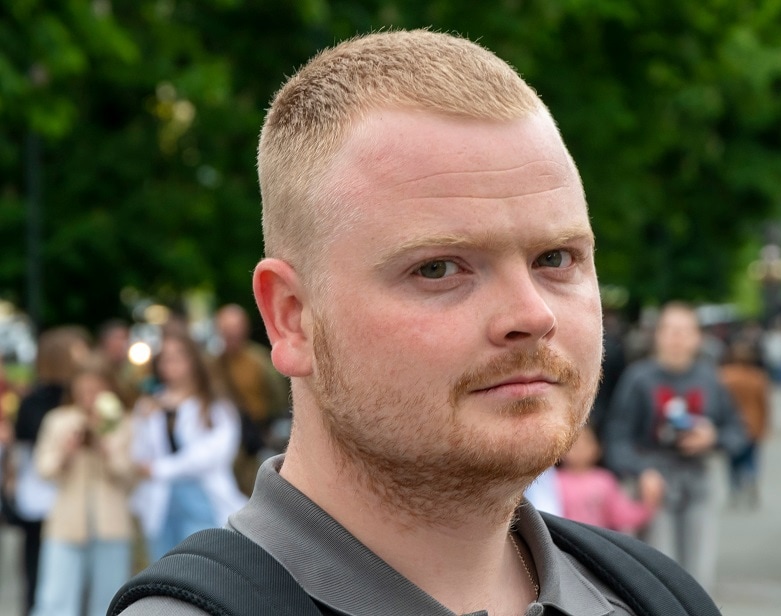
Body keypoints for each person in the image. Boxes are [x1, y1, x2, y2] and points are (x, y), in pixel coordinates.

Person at [113, 30, 721, 616]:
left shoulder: (657, 596)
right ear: (291, 319)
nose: (531, 315)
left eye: (555, 259)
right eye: (438, 268)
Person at [604, 301, 748, 589]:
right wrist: (641, 470)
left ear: (697, 337)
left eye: (684, 331)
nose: (676, 338)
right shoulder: (638, 379)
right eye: (669, 330)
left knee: (697, 575)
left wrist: (712, 437)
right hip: (655, 484)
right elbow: (616, 439)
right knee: (659, 573)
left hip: (699, 481)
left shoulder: (710, 378)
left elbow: (738, 432)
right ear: (657, 336)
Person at [129, 331, 247, 563]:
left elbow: (212, 454)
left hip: (204, 500)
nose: (170, 364)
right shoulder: (148, 405)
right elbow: (139, 455)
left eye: (178, 356)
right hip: (161, 506)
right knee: (164, 573)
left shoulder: (213, 404)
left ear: (194, 360)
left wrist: (161, 469)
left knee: (203, 569)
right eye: (165, 358)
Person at [30, 360, 135, 616]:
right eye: (84, 388)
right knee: (55, 600)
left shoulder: (124, 422)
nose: (89, 395)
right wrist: (65, 453)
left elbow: (131, 477)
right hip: (65, 524)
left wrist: (107, 447)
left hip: (111, 524)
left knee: (110, 600)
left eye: (95, 389)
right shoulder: (59, 419)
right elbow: (43, 469)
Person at [9, 326, 91, 616]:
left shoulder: (73, 398)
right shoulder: (41, 403)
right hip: (47, 494)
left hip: (66, 496)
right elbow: (28, 447)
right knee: (40, 570)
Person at [213, 303, 288, 495]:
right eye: (226, 330)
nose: (231, 335)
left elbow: (278, 397)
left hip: (256, 434)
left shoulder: (259, 360)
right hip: (224, 437)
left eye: (234, 329)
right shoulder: (213, 364)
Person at [556, 426, 663, 533]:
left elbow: (620, 514)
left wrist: (648, 505)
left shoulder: (604, 480)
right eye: (573, 443)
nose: (579, 448)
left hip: (596, 543)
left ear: (597, 447)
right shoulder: (553, 481)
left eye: (585, 441)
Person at [718, 338, 770, 508]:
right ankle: (751, 481)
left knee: (733, 461)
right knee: (751, 459)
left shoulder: (724, 376)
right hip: (753, 423)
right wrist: (765, 425)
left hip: (733, 424)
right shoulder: (757, 377)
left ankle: (735, 489)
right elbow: (764, 404)